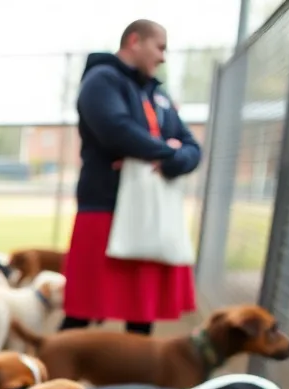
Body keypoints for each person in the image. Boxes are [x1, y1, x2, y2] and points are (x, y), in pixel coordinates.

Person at [61, 19, 202, 336]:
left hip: (149, 212)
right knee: (82, 312)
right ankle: (52, 379)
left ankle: (133, 384)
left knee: (142, 313)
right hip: (105, 207)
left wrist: (169, 157)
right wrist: (169, 151)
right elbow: (117, 131)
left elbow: (193, 148)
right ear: (135, 41)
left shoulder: (156, 93)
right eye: (160, 46)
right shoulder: (101, 80)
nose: (163, 57)